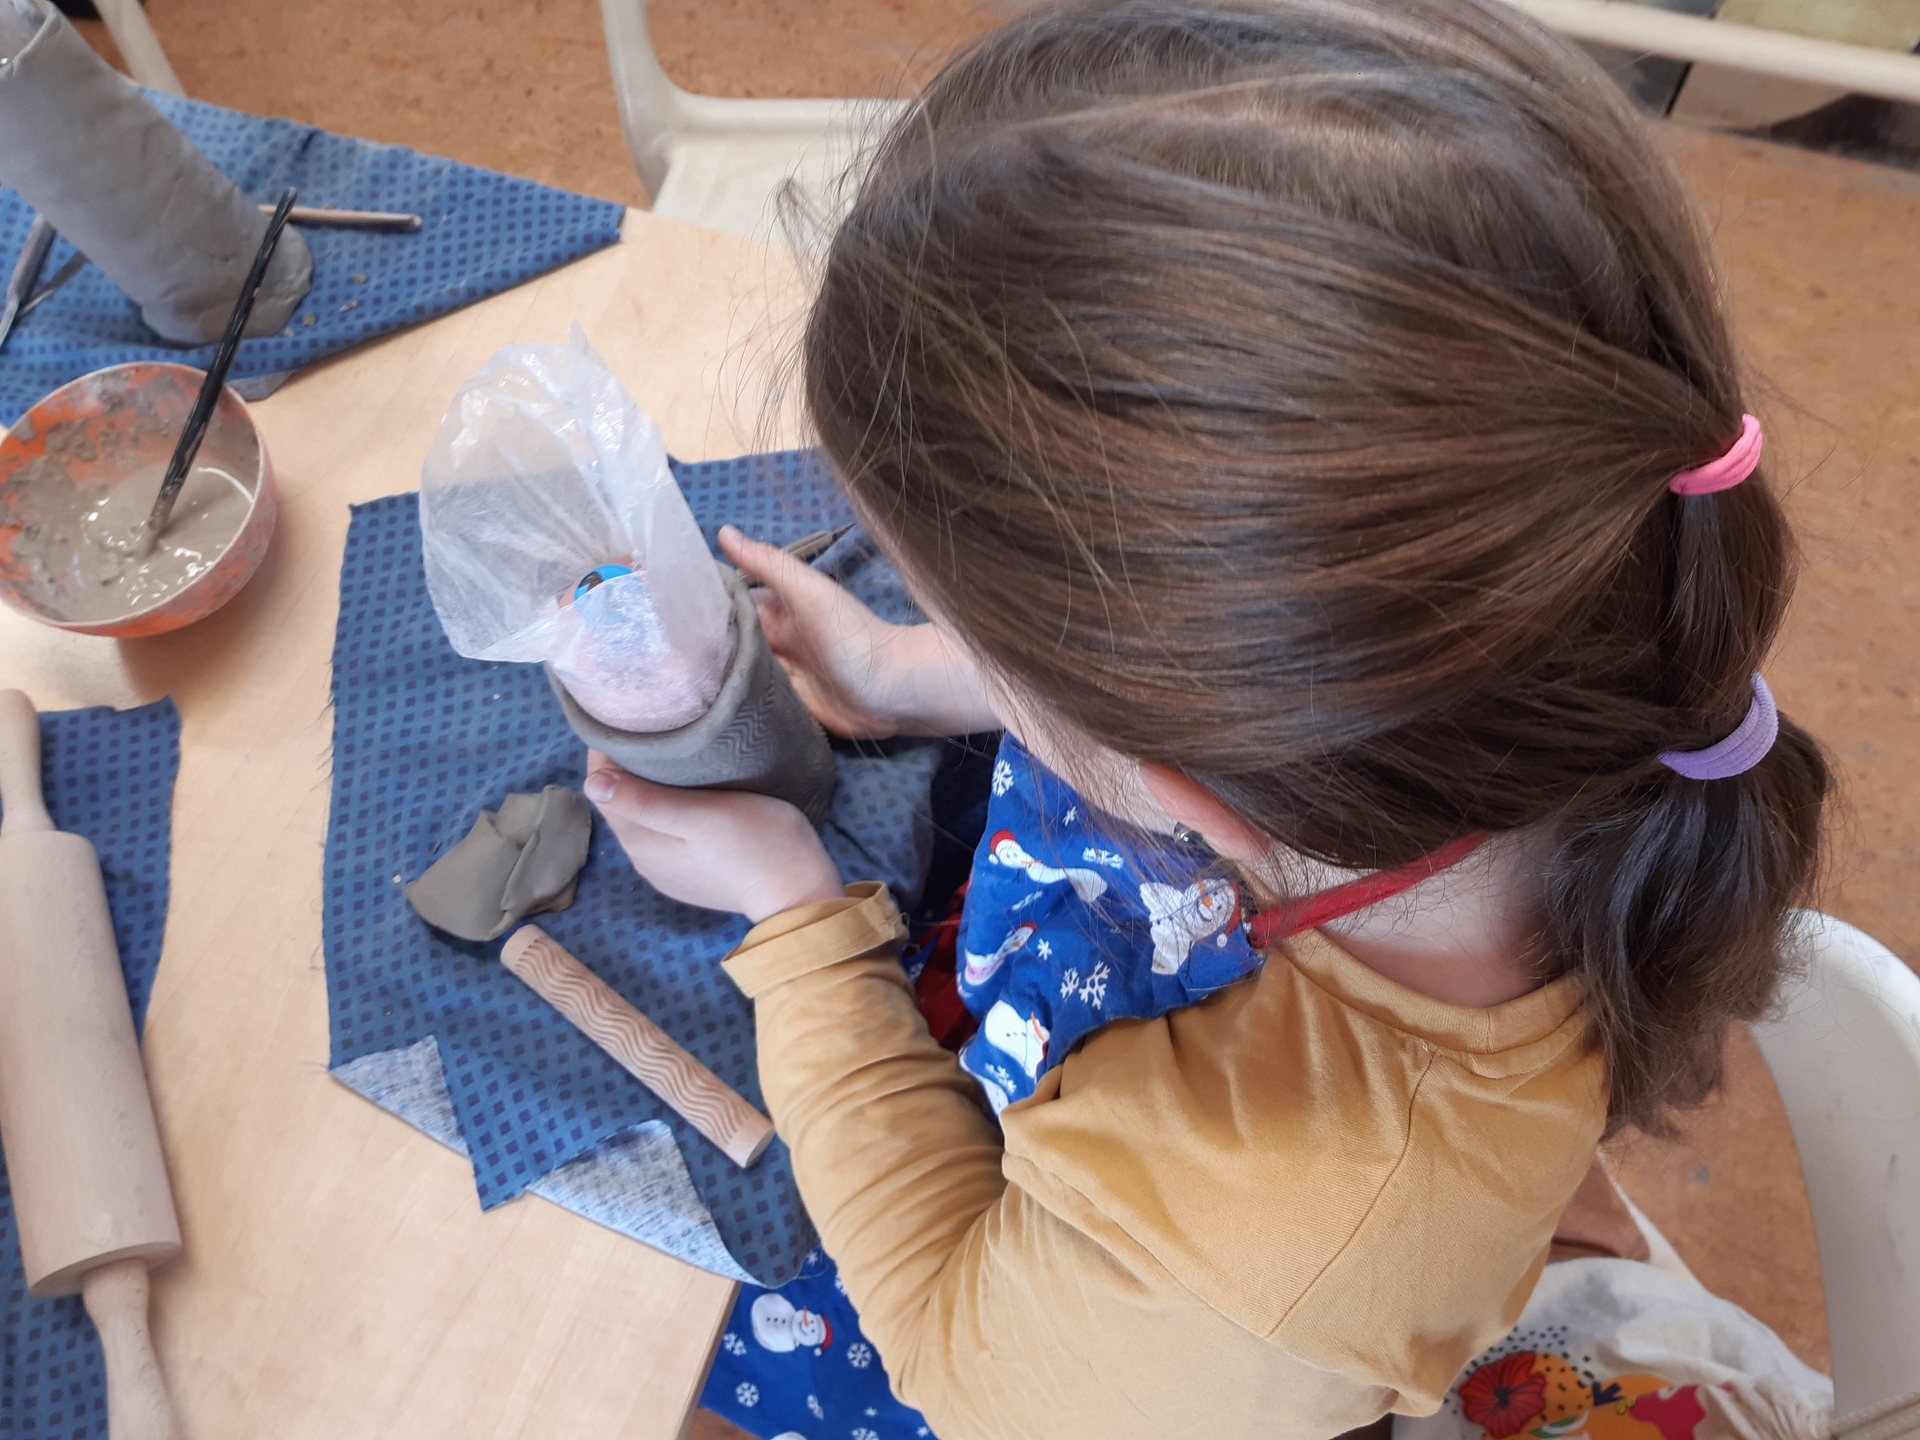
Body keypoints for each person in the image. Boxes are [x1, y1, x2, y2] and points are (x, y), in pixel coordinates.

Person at [580, 2, 1829, 1436]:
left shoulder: (1271, 1242)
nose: (962, 649)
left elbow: (949, 1340)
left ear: (1192, 784)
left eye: (978, 632)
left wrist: (799, 919)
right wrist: (913, 670)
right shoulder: (1568, 642)